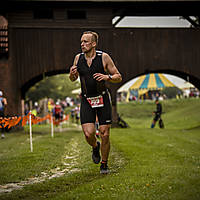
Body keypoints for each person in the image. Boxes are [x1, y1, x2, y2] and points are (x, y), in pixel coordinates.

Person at [69, 31, 122, 174]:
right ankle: (94, 146)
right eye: (81, 42)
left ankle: (104, 164)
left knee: (105, 133)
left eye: (86, 42)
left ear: (94, 44)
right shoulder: (77, 58)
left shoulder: (103, 57)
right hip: (87, 99)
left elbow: (118, 76)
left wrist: (107, 77)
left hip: (102, 98)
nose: (82, 44)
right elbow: (73, 79)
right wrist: (72, 74)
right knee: (88, 134)